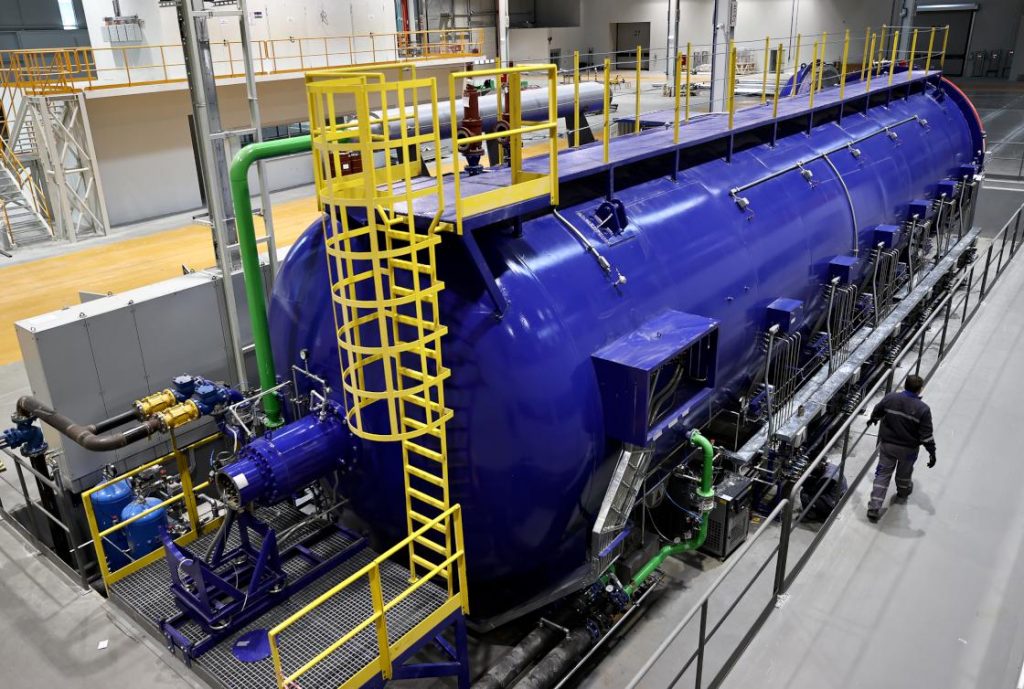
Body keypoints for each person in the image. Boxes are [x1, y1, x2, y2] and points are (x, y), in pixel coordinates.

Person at [865, 374, 936, 521]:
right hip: (908, 450)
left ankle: (874, 507)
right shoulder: (923, 409)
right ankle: (903, 492)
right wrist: (932, 453)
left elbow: (878, 410)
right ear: (920, 389)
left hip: (888, 446)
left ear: (905, 385)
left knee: (882, 475)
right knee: (904, 474)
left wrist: (873, 419)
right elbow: (926, 435)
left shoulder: (891, 398)